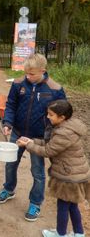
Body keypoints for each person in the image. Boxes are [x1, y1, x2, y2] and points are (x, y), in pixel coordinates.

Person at [0, 53, 66, 222]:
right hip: (17, 132)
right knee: (10, 165)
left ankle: (35, 202)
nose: (28, 76)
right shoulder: (18, 84)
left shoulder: (55, 89)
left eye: (32, 74)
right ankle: (9, 189)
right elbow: (11, 105)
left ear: (43, 70)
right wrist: (7, 123)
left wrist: (53, 135)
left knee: (37, 171)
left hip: (39, 139)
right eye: (26, 73)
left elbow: (62, 115)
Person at [17, 100, 90, 237]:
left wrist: (28, 146)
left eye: (51, 115)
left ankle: (60, 234)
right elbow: (50, 143)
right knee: (72, 205)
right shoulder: (67, 127)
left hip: (68, 175)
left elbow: (48, 151)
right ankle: (79, 233)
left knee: (63, 205)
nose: (48, 117)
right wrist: (31, 141)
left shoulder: (64, 133)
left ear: (62, 117)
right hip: (76, 173)